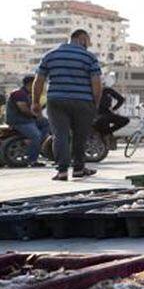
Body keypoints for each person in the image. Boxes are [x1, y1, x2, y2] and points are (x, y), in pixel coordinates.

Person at [33, 29, 102, 180]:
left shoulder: (50, 55)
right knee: (80, 136)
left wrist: (35, 102)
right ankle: (78, 168)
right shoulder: (89, 57)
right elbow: (96, 85)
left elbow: (38, 81)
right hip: (83, 101)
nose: (88, 45)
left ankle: (62, 171)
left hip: (56, 100)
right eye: (88, 41)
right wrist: (95, 105)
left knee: (59, 135)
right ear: (82, 39)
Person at [6, 75, 50, 168]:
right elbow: (23, 109)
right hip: (19, 121)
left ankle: (33, 143)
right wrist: (35, 116)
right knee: (36, 136)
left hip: (28, 120)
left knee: (46, 123)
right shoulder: (18, 93)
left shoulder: (29, 94)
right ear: (31, 84)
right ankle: (32, 160)